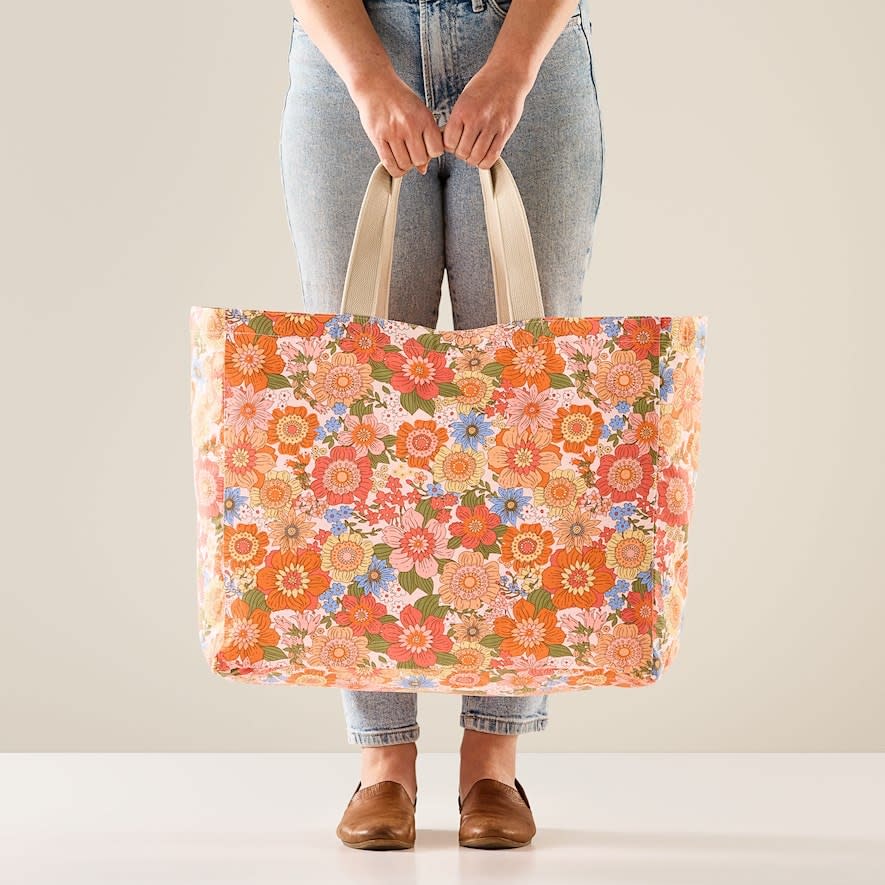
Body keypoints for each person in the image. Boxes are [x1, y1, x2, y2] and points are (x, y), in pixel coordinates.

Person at [279, 0, 603, 850]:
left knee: (526, 411)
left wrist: (514, 64)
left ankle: (492, 760)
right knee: (360, 417)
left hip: (527, 35)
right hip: (352, 36)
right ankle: (382, 763)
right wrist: (365, 75)